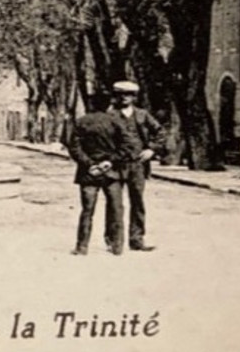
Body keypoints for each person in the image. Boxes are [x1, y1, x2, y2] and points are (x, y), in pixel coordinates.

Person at [67, 92, 128, 255]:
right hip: (112, 172)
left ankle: (82, 246)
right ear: (109, 105)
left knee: (87, 210)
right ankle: (116, 246)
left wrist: (89, 164)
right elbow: (127, 146)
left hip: (89, 173)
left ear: (90, 105)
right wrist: (110, 161)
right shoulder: (117, 122)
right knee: (116, 209)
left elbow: (74, 147)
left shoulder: (81, 122)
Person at [111, 80, 166, 251]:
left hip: (137, 165)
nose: (125, 98)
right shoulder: (109, 115)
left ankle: (137, 239)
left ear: (134, 97)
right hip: (115, 165)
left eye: (128, 95)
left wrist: (151, 149)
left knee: (137, 202)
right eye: (121, 94)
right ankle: (113, 240)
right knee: (114, 203)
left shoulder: (142, 115)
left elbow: (160, 132)